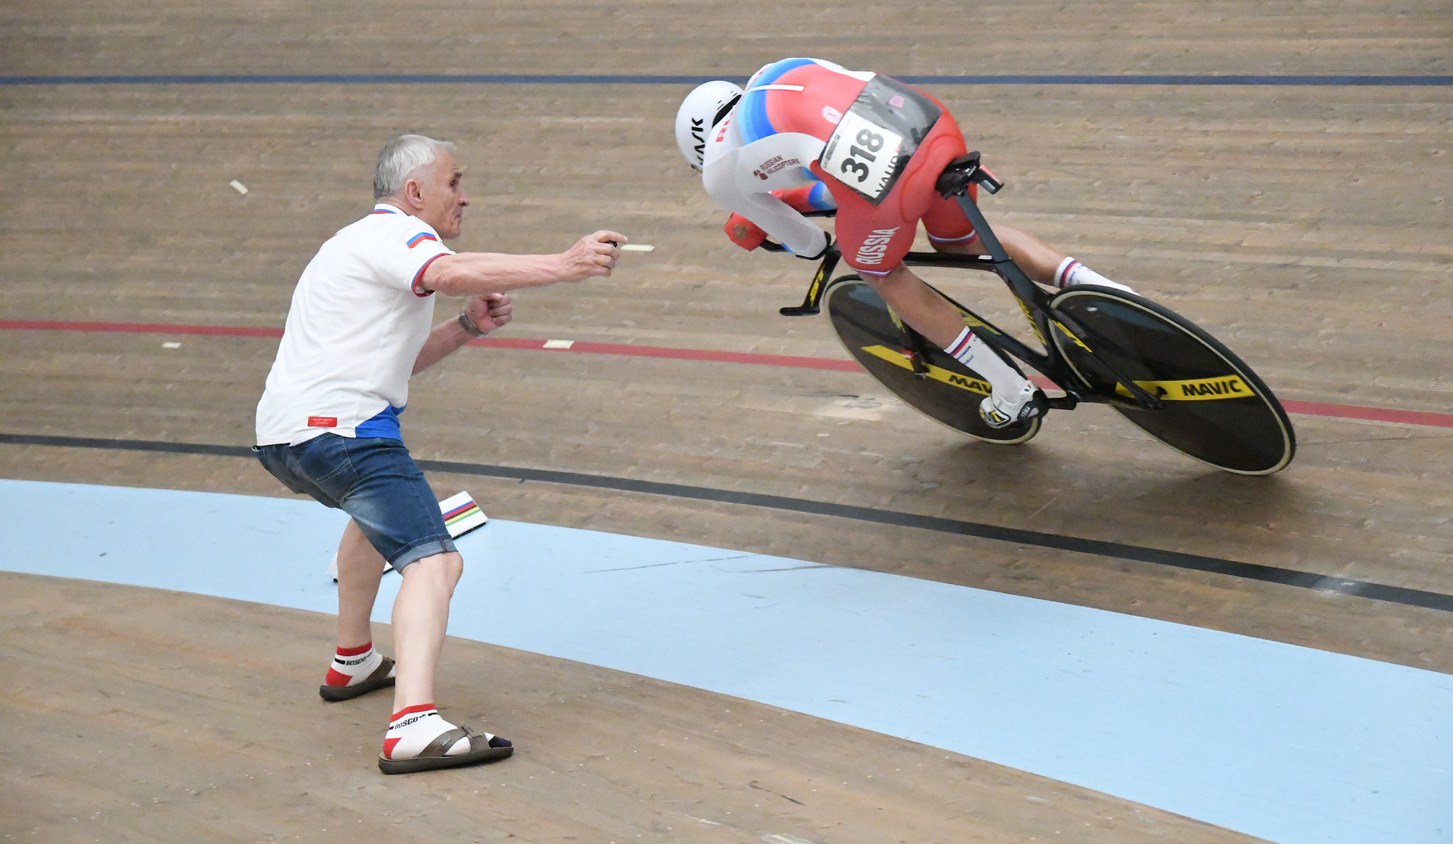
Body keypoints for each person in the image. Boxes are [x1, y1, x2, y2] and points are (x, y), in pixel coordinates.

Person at [253, 133, 626, 774]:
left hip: (288, 437)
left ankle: (353, 660)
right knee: (435, 561)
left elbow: (388, 364)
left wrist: (466, 328)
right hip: (347, 433)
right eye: (454, 182)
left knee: (372, 521)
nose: (464, 196)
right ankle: (413, 725)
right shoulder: (393, 232)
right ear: (414, 191)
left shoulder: (353, 245)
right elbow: (448, 274)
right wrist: (565, 265)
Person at [675, 58, 1133, 432]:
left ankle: (1011, 389)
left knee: (880, 270)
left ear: (697, 149)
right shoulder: (778, 70)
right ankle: (1106, 289)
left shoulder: (718, 172)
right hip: (928, 122)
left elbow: (811, 243)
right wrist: (799, 200)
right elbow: (833, 163)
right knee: (965, 240)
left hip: (886, 179)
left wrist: (781, 226)